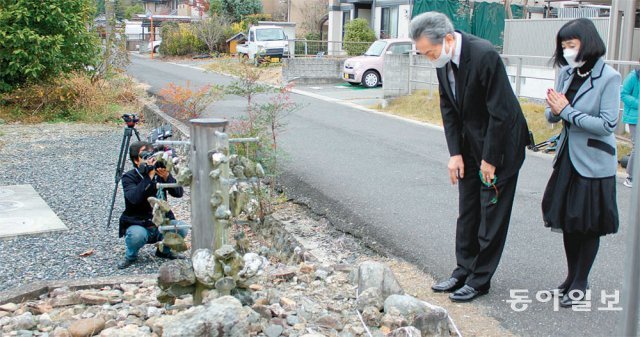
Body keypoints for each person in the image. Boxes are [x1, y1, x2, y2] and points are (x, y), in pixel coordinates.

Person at [409, 12, 530, 302]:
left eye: (430, 52)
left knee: (491, 212)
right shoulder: (443, 61)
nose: (429, 59)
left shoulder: (484, 55)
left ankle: (480, 279)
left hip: (501, 145)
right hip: (471, 143)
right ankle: (463, 268)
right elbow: (448, 109)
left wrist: (491, 158)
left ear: (448, 39)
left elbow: (500, 113)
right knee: (468, 211)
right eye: (423, 54)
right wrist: (456, 154)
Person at [542, 18, 620, 308]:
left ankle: (581, 281)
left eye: (571, 45)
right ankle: (570, 276)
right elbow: (553, 115)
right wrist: (553, 109)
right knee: (568, 220)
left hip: (594, 160)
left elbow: (608, 124)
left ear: (587, 43)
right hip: (567, 157)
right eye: (563, 46)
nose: (567, 50)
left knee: (587, 224)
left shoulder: (609, 77)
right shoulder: (565, 72)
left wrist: (568, 111)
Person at [117, 141, 188, 269]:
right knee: (137, 236)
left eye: (152, 155)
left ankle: (164, 251)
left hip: (162, 222)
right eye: (144, 156)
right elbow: (134, 199)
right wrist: (148, 178)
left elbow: (178, 193)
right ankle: (131, 256)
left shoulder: (159, 172)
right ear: (136, 161)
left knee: (182, 228)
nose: (151, 159)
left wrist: (167, 177)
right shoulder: (129, 177)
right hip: (139, 223)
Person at [621, 61, 639, 188]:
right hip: (633, 117)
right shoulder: (633, 76)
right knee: (637, 146)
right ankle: (630, 177)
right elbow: (623, 94)